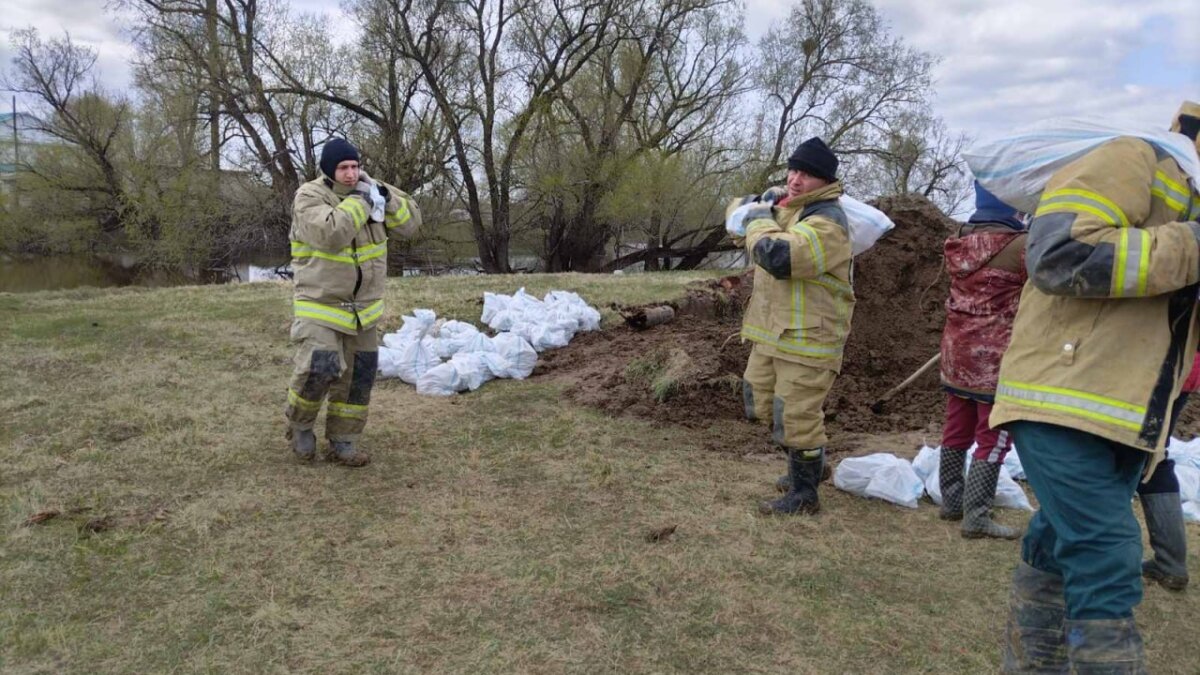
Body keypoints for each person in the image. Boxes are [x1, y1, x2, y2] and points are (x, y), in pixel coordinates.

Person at [993, 101, 1200, 672]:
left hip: (1128, 415)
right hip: (1062, 398)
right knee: (1108, 555)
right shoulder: (1137, 157)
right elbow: (1061, 253)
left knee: (1056, 540)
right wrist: (1194, 244)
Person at [726, 137, 854, 516]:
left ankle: (804, 494)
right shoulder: (789, 208)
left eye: (807, 175)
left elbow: (779, 257)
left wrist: (759, 218)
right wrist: (761, 205)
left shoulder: (828, 222)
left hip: (810, 339)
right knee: (761, 404)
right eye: (793, 171)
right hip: (773, 334)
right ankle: (812, 466)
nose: (796, 180)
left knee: (796, 417)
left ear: (826, 181)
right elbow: (738, 220)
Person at [283, 138, 421, 466]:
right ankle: (300, 425)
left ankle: (343, 440)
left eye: (354, 166)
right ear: (329, 170)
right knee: (321, 366)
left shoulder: (372, 188)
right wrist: (361, 200)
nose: (350, 173)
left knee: (359, 375)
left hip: (364, 309)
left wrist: (384, 198)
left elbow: (412, 223)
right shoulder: (309, 196)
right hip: (321, 304)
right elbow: (331, 234)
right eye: (343, 168)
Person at [937, 183, 1028, 540]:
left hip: (955, 352)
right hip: (995, 361)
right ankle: (976, 515)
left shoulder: (957, 242)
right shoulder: (1020, 247)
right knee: (995, 436)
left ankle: (952, 502)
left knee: (956, 428)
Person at [1137, 356, 1196, 592]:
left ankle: (1103, 558)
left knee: (1130, 455)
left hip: (1157, 363)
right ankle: (1171, 562)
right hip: (1184, 370)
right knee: (1153, 456)